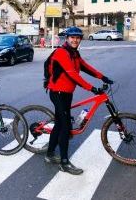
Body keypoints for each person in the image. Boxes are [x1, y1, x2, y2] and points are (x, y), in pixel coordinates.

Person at [44, 26, 114, 175]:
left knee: (59, 123)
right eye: (72, 37)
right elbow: (72, 75)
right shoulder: (62, 53)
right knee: (64, 126)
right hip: (58, 93)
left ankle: (49, 155)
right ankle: (64, 163)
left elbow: (85, 67)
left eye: (78, 37)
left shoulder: (74, 53)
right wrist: (92, 88)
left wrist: (102, 76)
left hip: (67, 93)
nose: (75, 40)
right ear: (67, 38)